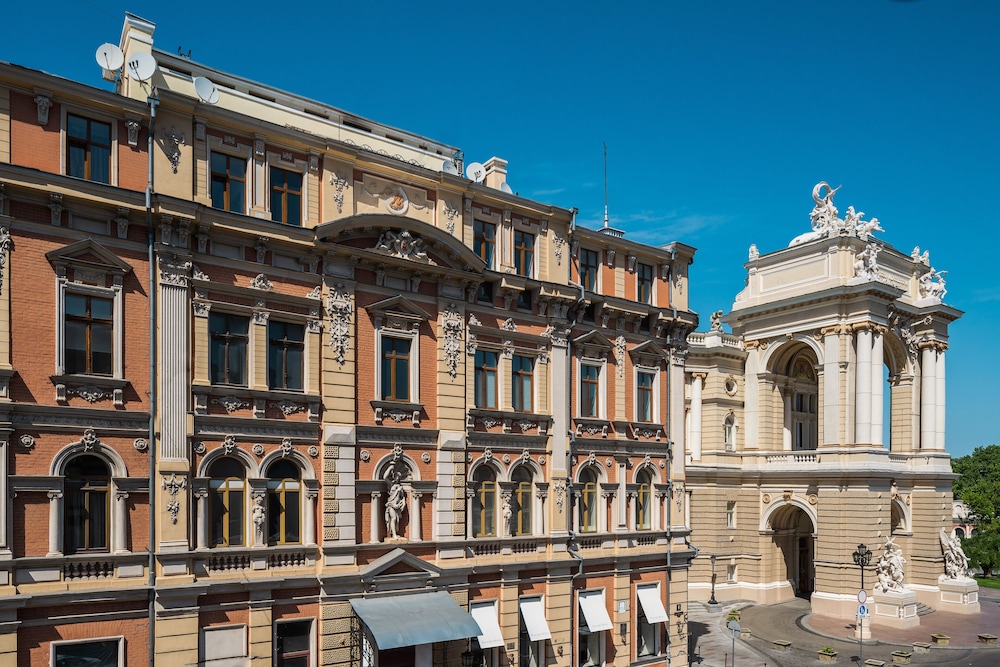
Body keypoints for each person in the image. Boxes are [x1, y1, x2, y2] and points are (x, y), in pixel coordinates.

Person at [384, 473, 406, 539]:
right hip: (391, 504)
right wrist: (390, 468)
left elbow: (402, 497)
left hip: (397, 505)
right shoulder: (391, 484)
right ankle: (394, 535)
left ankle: (395, 533)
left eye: (398, 477)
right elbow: (385, 478)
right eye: (396, 476)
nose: (397, 478)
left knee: (397, 521)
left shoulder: (400, 487)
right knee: (393, 518)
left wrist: (403, 503)